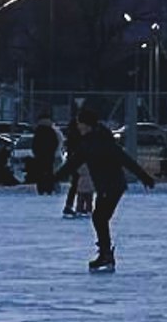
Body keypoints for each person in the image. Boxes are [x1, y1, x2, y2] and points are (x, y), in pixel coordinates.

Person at [54, 104, 155, 271]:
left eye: (80, 123)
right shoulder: (90, 141)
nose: (78, 126)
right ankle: (105, 254)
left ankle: (106, 255)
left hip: (112, 186)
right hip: (107, 186)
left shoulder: (100, 141)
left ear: (87, 124)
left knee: (99, 218)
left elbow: (124, 159)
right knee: (99, 218)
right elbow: (73, 164)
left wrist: (144, 176)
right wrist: (54, 179)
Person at [30, 116, 61, 196]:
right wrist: (52, 152)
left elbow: (34, 144)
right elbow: (56, 142)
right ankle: (49, 188)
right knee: (49, 172)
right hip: (49, 155)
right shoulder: (52, 131)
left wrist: (36, 153)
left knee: (40, 173)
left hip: (40, 156)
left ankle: (41, 189)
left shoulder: (38, 131)